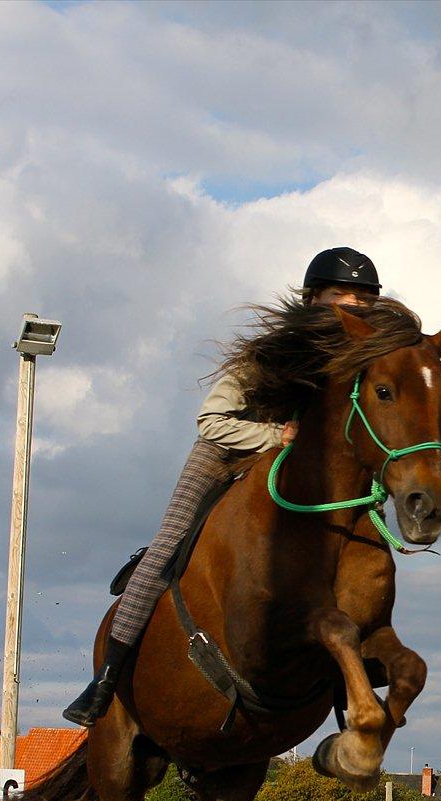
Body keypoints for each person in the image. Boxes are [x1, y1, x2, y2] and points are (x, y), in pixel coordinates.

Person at [63, 247, 382, 726]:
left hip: (303, 479)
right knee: (166, 550)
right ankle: (107, 677)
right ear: (314, 297)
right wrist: (276, 435)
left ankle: (351, 675)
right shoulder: (268, 354)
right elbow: (211, 420)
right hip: (227, 458)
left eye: (363, 298)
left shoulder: (367, 360)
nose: (353, 305)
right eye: (341, 294)